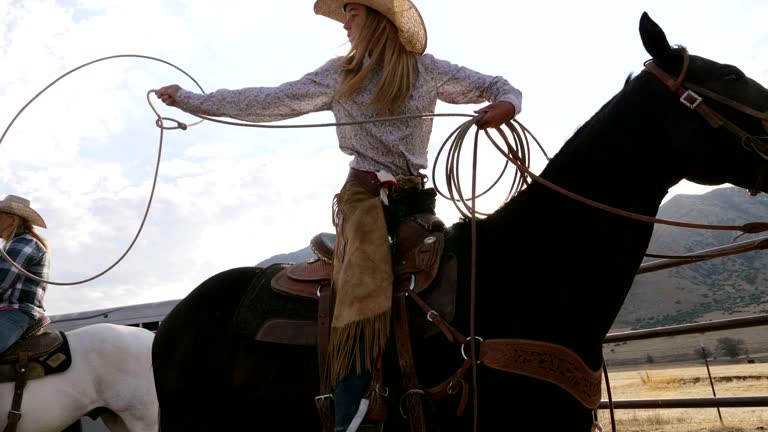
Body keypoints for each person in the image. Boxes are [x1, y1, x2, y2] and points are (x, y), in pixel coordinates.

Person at [155, 1, 522, 430]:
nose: (345, 23)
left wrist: (507, 103)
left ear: (378, 20)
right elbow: (269, 101)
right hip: (362, 202)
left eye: (353, 13)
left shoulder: (426, 69)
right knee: (365, 280)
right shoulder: (340, 74)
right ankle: (355, 408)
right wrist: (190, 101)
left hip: (415, 204)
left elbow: (495, 85)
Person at [0, 194, 49, 353]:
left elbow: (2, 282)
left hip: (16, 312)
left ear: (12, 220)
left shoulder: (22, 242)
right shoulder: (14, 245)